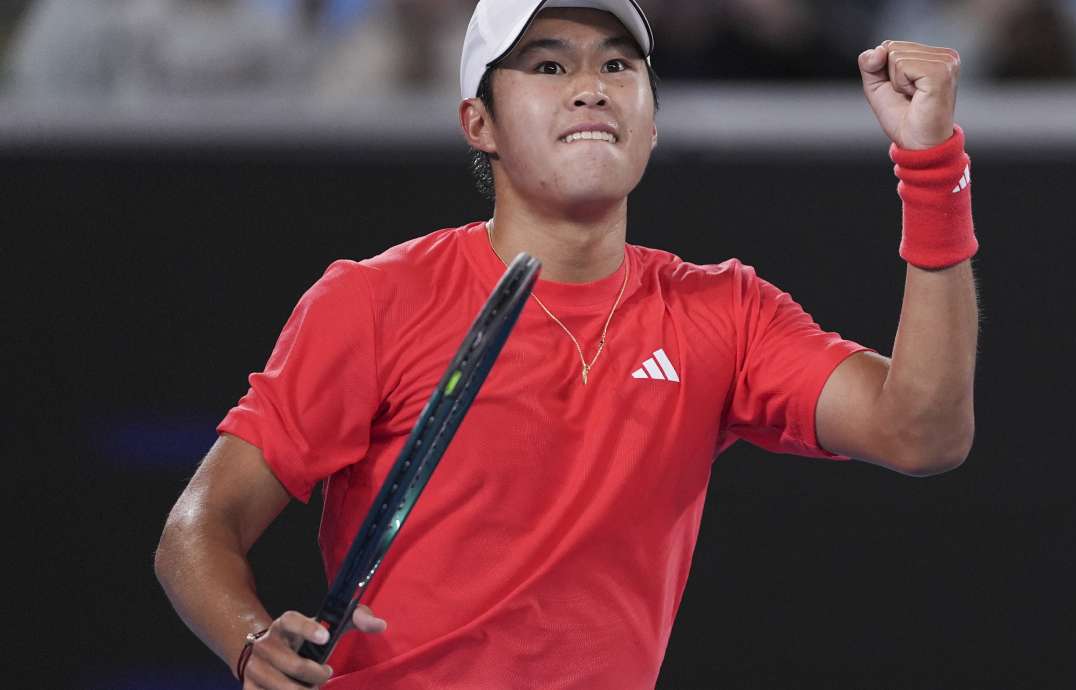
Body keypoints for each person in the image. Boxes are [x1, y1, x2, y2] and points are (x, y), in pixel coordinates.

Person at [154, 1, 980, 688]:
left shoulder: (723, 312)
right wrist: (250, 638)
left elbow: (921, 432)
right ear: (479, 122)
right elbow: (198, 526)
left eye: (618, 67)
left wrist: (931, 168)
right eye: (549, 67)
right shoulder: (372, 300)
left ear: (652, 124)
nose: (591, 87)